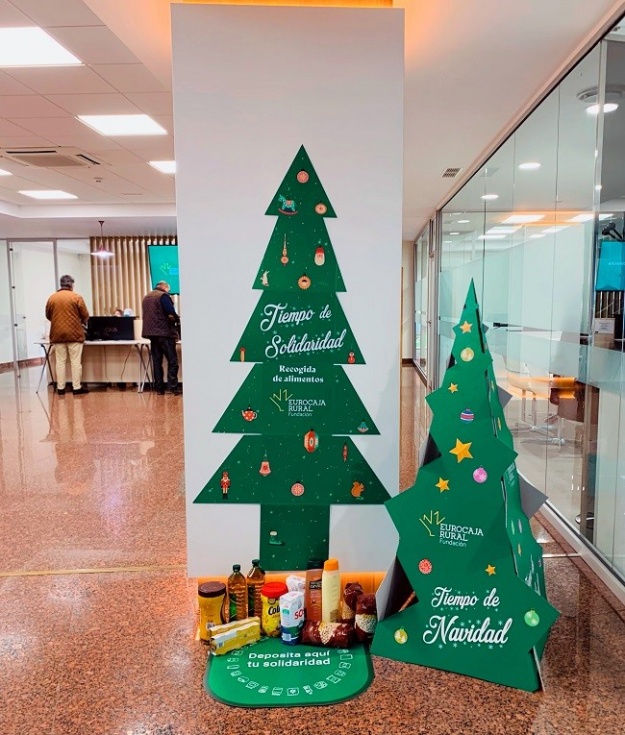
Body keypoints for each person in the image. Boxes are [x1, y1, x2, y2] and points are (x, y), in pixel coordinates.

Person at [45, 274, 90, 396]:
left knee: (60, 362)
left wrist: (57, 322)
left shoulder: (52, 298)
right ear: (71, 285)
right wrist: (80, 321)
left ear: (61, 284)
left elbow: (48, 315)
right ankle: (76, 388)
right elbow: (85, 315)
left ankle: (60, 388)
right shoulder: (76, 297)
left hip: (57, 334)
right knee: (75, 362)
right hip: (74, 334)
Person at [141, 280, 181, 395]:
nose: (169, 292)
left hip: (152, 334)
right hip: (164, 333)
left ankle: (159, 389)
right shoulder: (163, 296)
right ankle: (172, 388)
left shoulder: (146, 297)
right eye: (169, 289)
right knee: (172, 362)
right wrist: (177, 320)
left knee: (157, 362)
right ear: (165, 287)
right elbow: (170, 312)